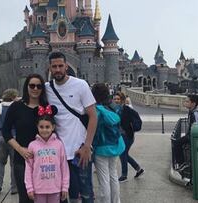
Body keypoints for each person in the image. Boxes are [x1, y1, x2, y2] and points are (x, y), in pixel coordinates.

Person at [45, 51, 98, 203]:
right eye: (54, 66)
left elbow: (93, 116)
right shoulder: (47, 88)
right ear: (49, 68)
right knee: (66, 194)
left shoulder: (80, 85)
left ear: (66, 66)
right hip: (59, 153)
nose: (57, 69)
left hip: (79, 150)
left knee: (86, 192)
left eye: (60, 66)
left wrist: (87, 146)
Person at [3, 74, 48, 203]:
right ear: (26, 87)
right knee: (26, 198)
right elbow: (6, 131)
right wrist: (20, 149)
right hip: (22, 160)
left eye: (39, 86)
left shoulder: (46, 107)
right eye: (32, 85)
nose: (35, 89)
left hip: (45, 160)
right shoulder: (16, 107)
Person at [24, 105, 69, 203]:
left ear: (53, 127)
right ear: (37, 127)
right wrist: (29, 187)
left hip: (55, 188)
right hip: (38, 189)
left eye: (47, 127)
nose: (44, 130)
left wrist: (65, 186)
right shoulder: (32, 145)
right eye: (41, 127)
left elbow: (64, 167)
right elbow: (28, 168)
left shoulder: (59, 144)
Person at [91, 84, 125, 203]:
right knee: (114, 176)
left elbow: (94, 132)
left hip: (101, 148)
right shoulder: (114, 107)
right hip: (115, 145)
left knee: (104, 180)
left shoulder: (96, 110)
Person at [0, 89, 18, 194]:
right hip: (13, 136)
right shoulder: (15, 107)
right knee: (13, 164)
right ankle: (14, 187)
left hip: (0, 136)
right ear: (13, 97)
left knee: (1, 162)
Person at [113, 92, 144, 182]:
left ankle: (124, 175)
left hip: (127, 135)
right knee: (124, 154)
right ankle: (139, 169)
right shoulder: (115, 109)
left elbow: (136, 118)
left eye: (118, 99)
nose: (116, 101)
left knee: (122, 154)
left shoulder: (127, 109)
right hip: (120, 135)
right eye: (115, 99)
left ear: (122, 100)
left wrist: (132, 128)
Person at [172, 94, 198, 171]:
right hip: (190, 135)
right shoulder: (191, 111)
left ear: (193, 103)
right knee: (177, 143)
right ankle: (183, 163)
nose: (185, 103)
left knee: (176, 143)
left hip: (193, 136)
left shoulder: (195, 113)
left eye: (187, 101)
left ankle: (182, 163)